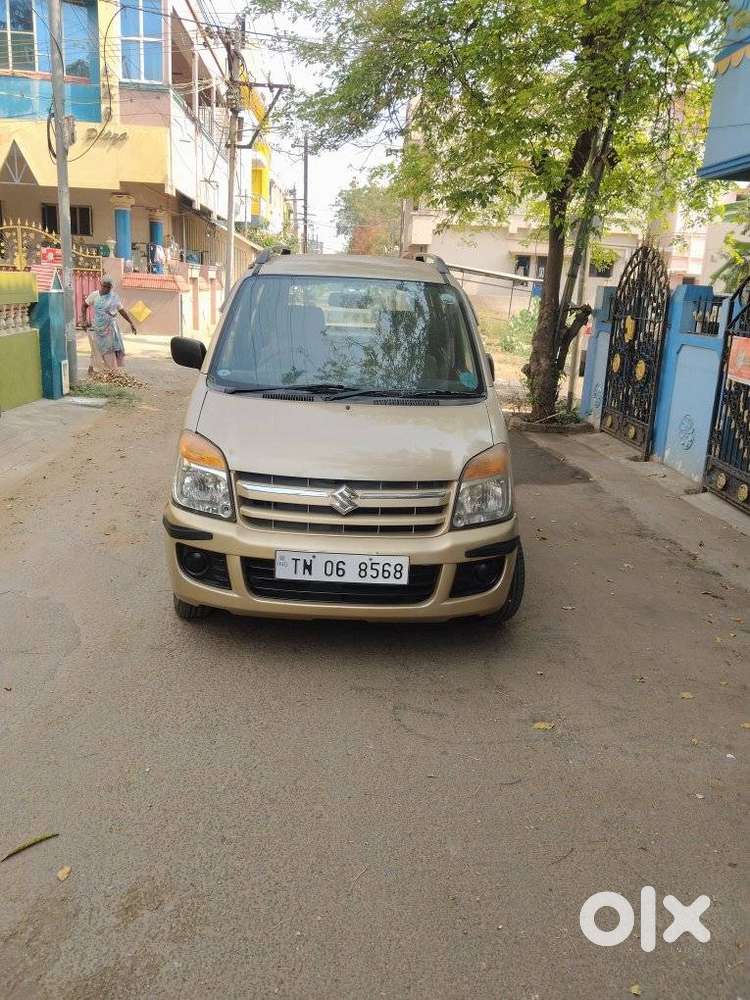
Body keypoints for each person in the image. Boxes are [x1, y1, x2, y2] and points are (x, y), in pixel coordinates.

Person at [82, 277, 137, 372]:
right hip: (98, 327)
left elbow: (121, 310)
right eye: (105, 286)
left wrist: (131, 322)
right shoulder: (94, 295)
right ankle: (93, 368)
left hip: (110, 328)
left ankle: (111, 370)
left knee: (109, 349)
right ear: (101, 285)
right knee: (97, 348)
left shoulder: (114, 297)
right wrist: (84, 320)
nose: (106, 289)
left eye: (109, 287)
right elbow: (84, 306)